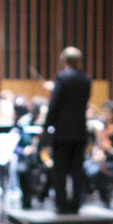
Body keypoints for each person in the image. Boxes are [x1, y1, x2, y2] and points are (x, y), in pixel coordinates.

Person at [45, 46, 93, 215]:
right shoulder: (86, 79)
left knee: (60, 170)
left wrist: (46, 126)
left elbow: (54, 105)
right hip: (80, 130)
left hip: (62, 132)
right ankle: (75, 205)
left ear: (64, 61)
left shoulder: (62, 78)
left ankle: (62, 204)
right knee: (77, 169)